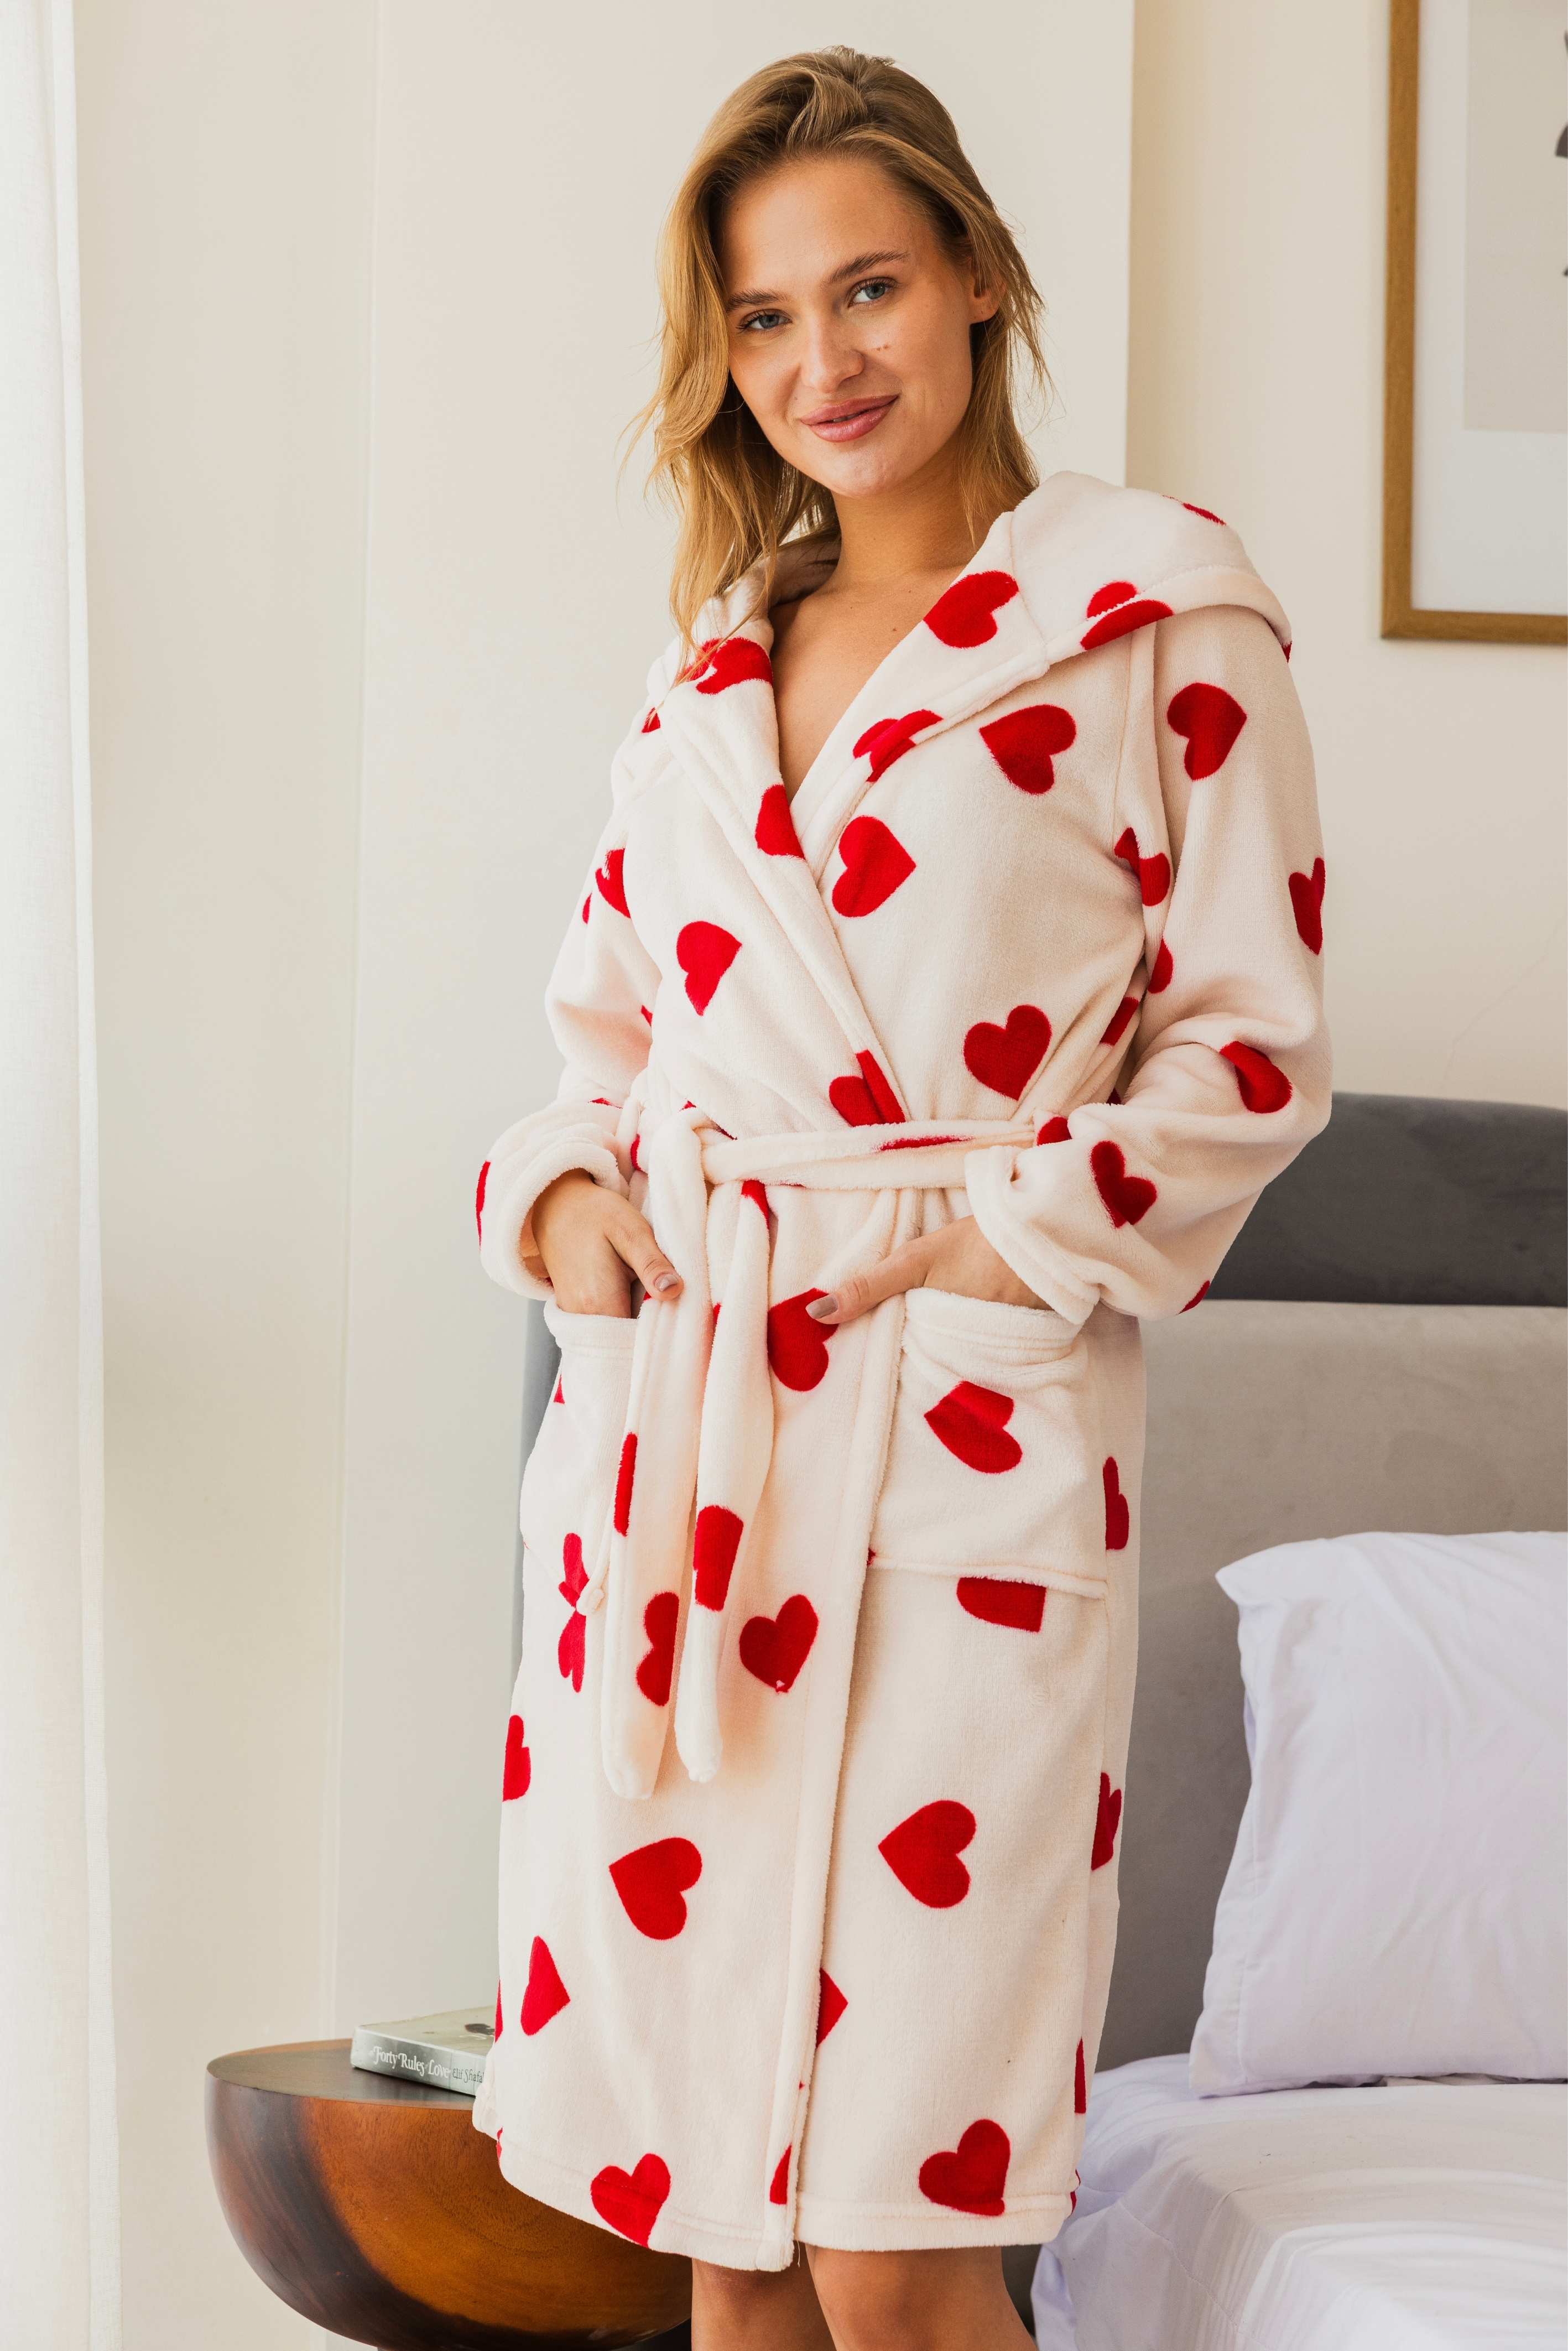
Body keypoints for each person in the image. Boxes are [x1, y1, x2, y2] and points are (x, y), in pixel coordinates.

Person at [470, 43, 1330, 2351]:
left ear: (975, 277)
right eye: (763, 317)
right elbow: (602, 1041)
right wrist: (567, 1215)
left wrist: (996, 1246)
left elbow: (1248, 1046)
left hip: (963, 1427)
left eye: (866, 287)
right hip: (688, 1464)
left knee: (892, 2236)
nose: (821, 361)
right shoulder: (706, 671)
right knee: (727, 2236)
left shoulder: (1152, 613)